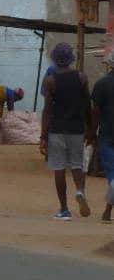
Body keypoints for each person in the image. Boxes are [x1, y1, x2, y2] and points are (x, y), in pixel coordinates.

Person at [41, 42, 92, 221]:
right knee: (77, 165)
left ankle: (64, 210)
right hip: (77, 129)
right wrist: (91, 130)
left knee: (59, 167)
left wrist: (43, 136)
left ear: (55, 59)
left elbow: (47, 111)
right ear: (71, 59)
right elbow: (87, 105)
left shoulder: (50, 81)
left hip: (57, 129)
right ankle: (80, 191)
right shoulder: (82, 78)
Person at [89, 51, 114, 223]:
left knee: (113, 176)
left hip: (107, 135)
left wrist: (91, 133)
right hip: (106, 136)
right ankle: (107, 211)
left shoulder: (101, 84)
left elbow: (95, 112)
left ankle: (107, 212)